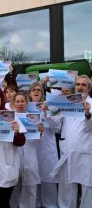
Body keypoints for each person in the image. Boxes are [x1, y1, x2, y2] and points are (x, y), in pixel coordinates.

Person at [45, 75, 92, 208]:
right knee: (66, 187)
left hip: (86, 153)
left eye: (84, 85)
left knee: (87, 186)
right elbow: (56, 125)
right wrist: (48, 112)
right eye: (78, 84)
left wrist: (88, 114)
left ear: (89, 88)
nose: (80, 87)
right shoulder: (67, 103)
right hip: (67, 152)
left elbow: (91, 127)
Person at [9, 92, 44, 208]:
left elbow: (38, 142)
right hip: (14, 154)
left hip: (30, 155)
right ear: (13, 103)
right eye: (17, 101)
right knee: (14, 186)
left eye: (22, 101)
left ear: (27, 103)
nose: (20, 104)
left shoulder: (34, 119)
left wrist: (40, 132)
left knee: (30, 187)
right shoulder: (10, 119)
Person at [28, 82, 59, 208]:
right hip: (32, 148)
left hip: (47, 149)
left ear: (42, 93)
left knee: (48, 180)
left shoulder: (51, 106)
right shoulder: (25, 107)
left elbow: (57, 127)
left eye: (39, 90)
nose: (36, 92)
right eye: (33, 90)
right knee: (32, 181)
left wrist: (47, 113)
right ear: (29, 93)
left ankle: (51, 205)